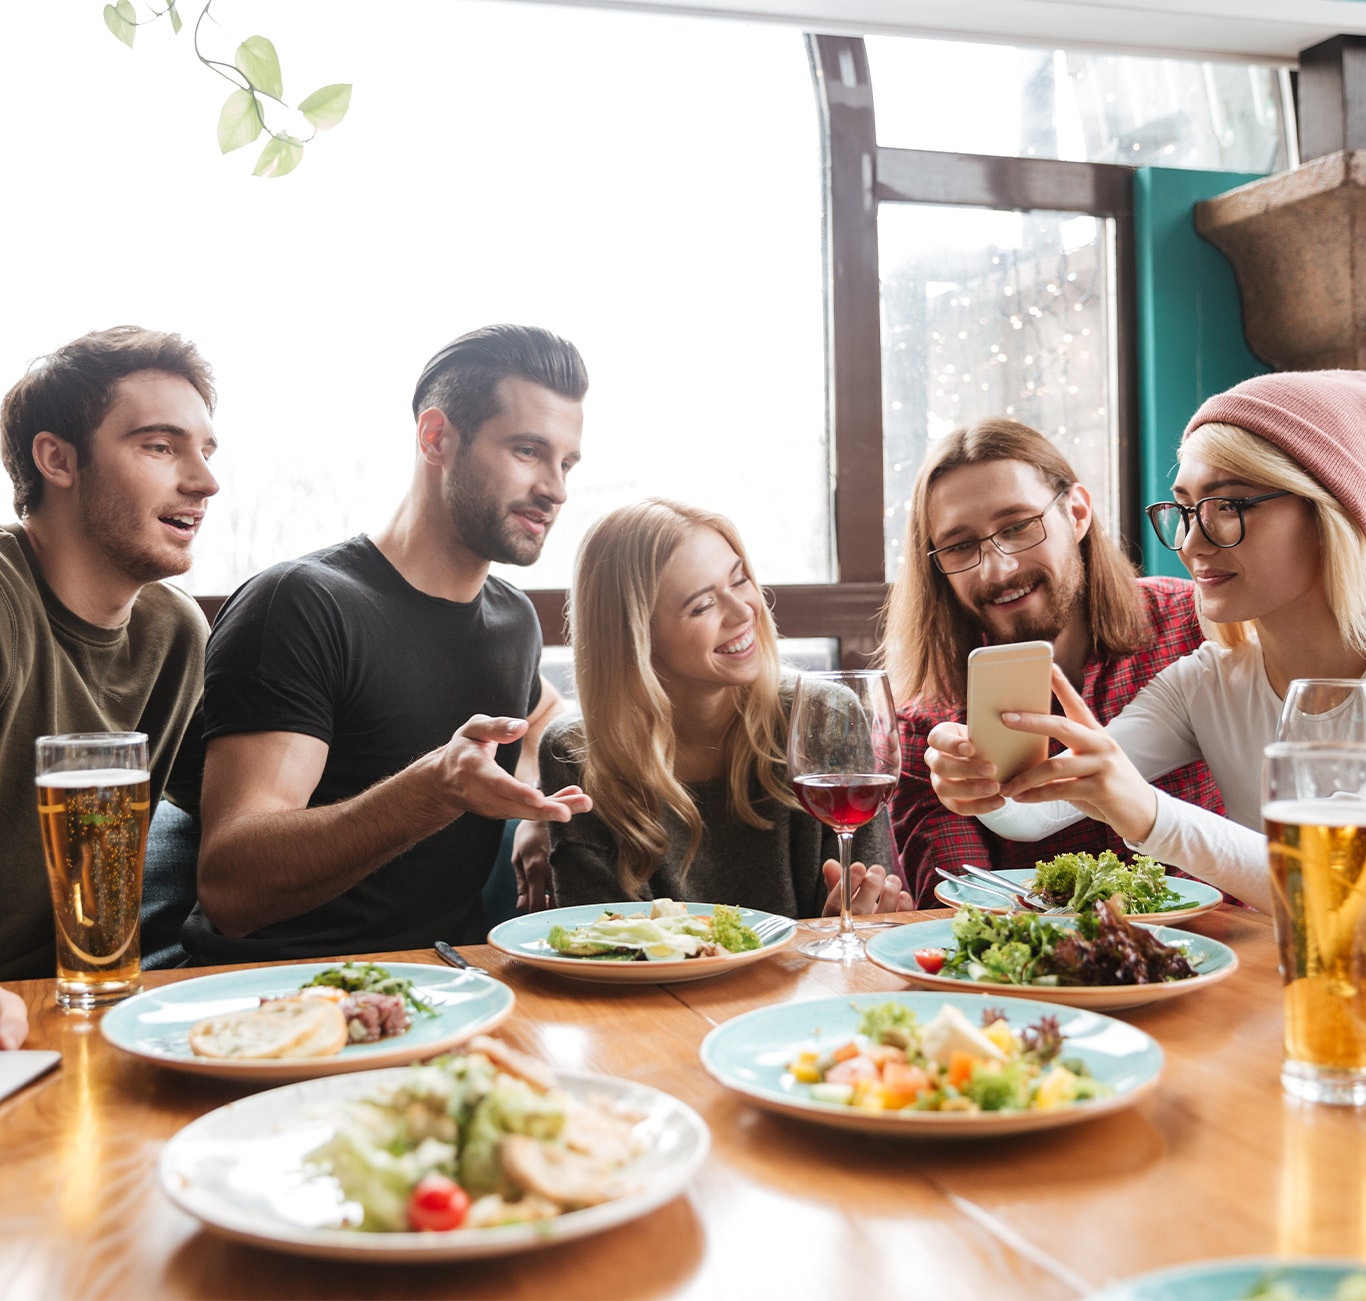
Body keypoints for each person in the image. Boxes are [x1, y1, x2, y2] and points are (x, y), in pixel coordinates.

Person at [186, 325, 593, 963]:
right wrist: (435, 788)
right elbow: (231, 889)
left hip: (458, 982)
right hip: (285, 994)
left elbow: (541, 719)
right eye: (527, 451)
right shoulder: (300, 604)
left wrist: (540, 811)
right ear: (437, 437)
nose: (556, 489)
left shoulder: (512, 620)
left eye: (566, 463)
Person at [926, 371, 1366, 914]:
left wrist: (1147, 813)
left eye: (1228, 506)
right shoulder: (1207, 681)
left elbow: (1341, 886)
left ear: (1330, 510)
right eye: (1185, 509)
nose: (1191, 542)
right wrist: (984, 779)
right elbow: (1044, 810)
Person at [880, 417, 1222, 906]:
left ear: (1077, 513)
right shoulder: (928, 727)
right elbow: (961, 912)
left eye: (1018, 527)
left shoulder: (1198, 629)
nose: (998, 568)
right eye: (960, 546)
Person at [540, 498, 909, 917]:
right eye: (702, 605)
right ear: (637, 636)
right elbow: (602, 942)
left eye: (738, 581)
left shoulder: (825, 714)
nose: (742, 611)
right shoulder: (575, 753)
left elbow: (871, 911)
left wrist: (850, 924)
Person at [0, 326, 218, 981]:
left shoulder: (175, 631)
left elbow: (245, 820)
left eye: (207, 450)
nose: (205, 481)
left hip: (93, 997)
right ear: (57, 460)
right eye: (160, 445)